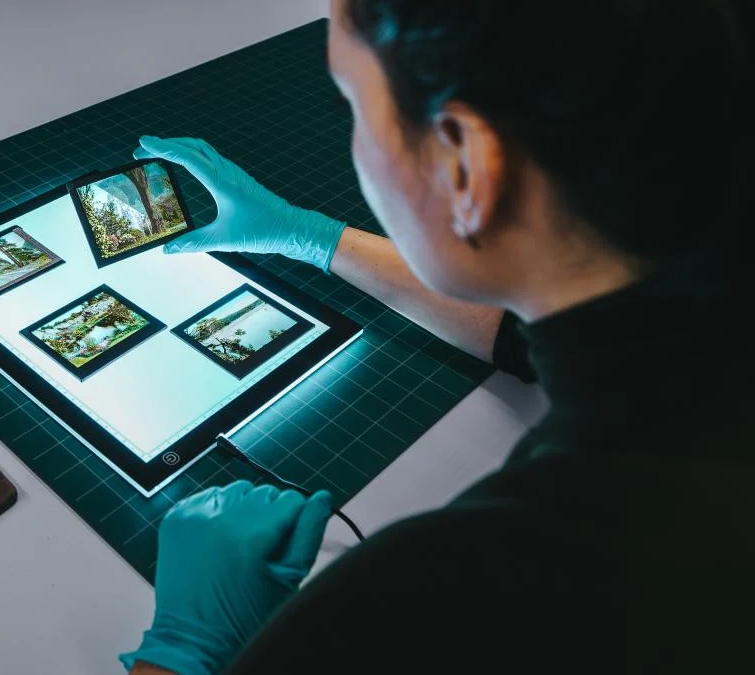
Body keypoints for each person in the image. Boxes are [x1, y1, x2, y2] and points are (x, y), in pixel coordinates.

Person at [120, 1, 755, 673]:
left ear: (464, 163)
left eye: (353, 104)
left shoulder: (446, 600)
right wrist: (308, 235)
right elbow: (529, 332)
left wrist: (182, 650)